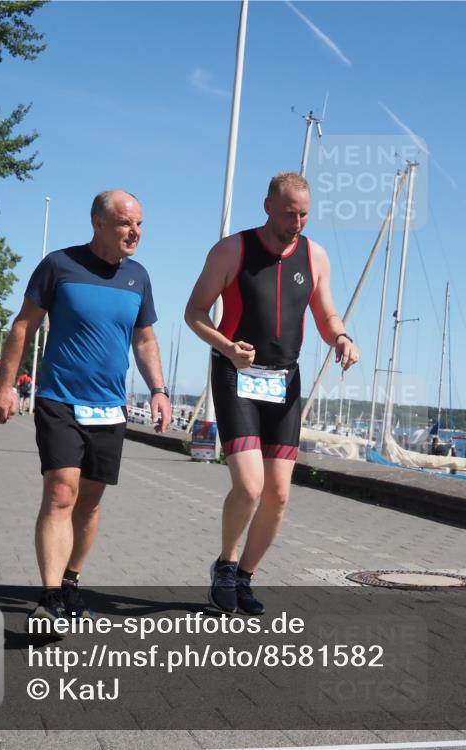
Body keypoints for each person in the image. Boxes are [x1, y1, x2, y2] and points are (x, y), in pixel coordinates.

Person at [0, 190, 171, 629]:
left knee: (88, 504)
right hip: (60, 397)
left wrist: (160, 390)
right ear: (99, 222)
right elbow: (24, 325)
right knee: (61, 493)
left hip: (110, 407)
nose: (136, 232)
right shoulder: (59, 266)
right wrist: (4, 387)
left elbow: (144, 340)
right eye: (127, 223)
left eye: (140, 224)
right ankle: (49, 598)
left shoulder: (138, 277)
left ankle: (71, 584)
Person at [184, 172, 359, 615]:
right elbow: (195, 312)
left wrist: (340, 338)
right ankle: (224, 566)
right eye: (288, 213)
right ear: (266, 207)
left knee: (278, 494)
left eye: (303, 214)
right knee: (249, 484)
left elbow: (326, 316)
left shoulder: (315, 256)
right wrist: (226, 346)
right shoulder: (232, 250)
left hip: (284, 380)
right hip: (235, 374)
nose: (297, 222)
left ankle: (245, 577)